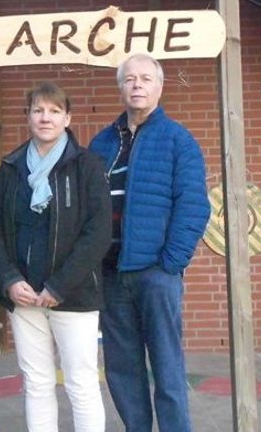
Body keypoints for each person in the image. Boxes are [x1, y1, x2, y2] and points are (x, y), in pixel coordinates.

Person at [88, 53, 210, 432]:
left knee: (167, 366)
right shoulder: (102, 142)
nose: (137, 85)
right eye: (129, 79)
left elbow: (193, 206)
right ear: (120, 87)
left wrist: (169, 264)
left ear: (160, 86)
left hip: (155, 273)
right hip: (111, 272)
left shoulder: (178, 140)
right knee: (122, 369)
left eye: (145, 78)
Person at [0, 81, 111, 432]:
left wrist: (59, 285)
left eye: (54, 111)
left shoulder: (87, 166)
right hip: (24, 296)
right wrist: (9, 280)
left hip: (73, 295)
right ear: (27, 116)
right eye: (38, 110)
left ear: (67, 117)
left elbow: (98, 233)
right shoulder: (12, 167)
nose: (45, 117)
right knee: (37, 383)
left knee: (81, 384)